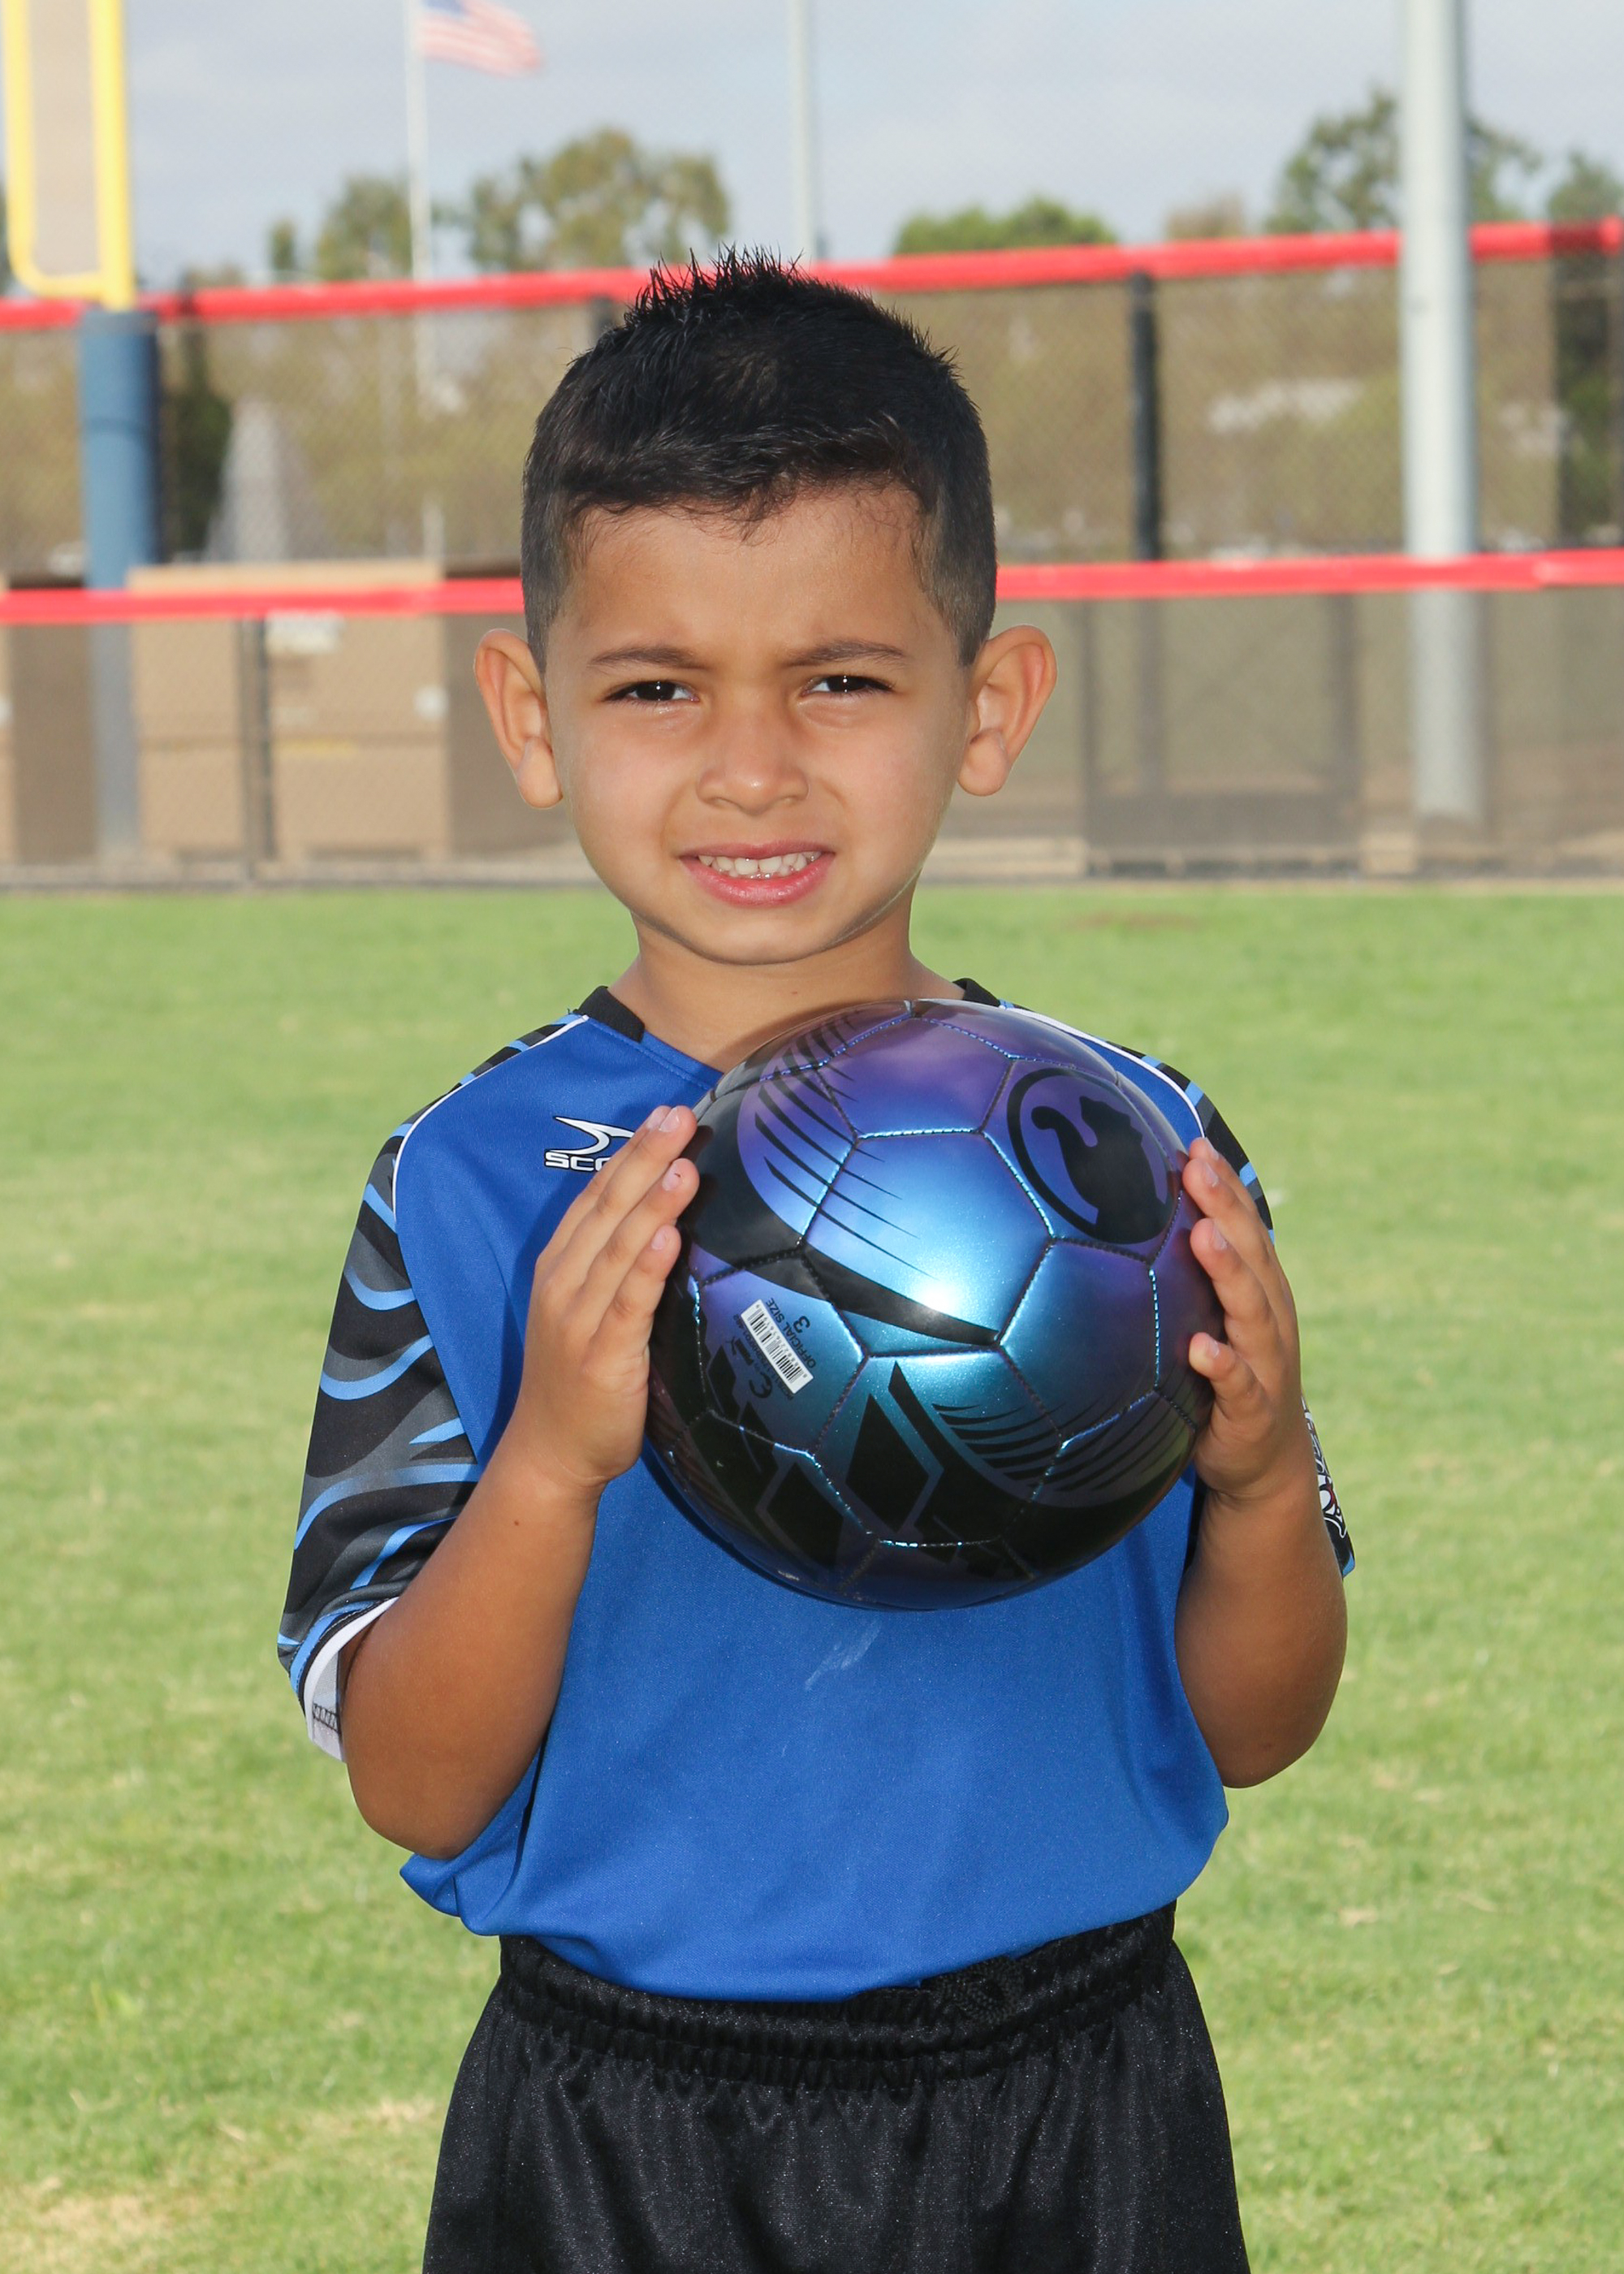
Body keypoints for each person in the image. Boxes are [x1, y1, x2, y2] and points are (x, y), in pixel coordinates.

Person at [277, 253, 1352, 2273]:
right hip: (630, 2128)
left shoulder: (1129, 1158)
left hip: (1076, 2094)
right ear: (531, 715)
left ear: (988, 703)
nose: (751, 763)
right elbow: (413, 1780)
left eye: (840, 678)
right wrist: (553, 1463)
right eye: (656, 685)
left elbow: (1253, 1722)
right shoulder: (470, 1181)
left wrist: (1256, 1472)